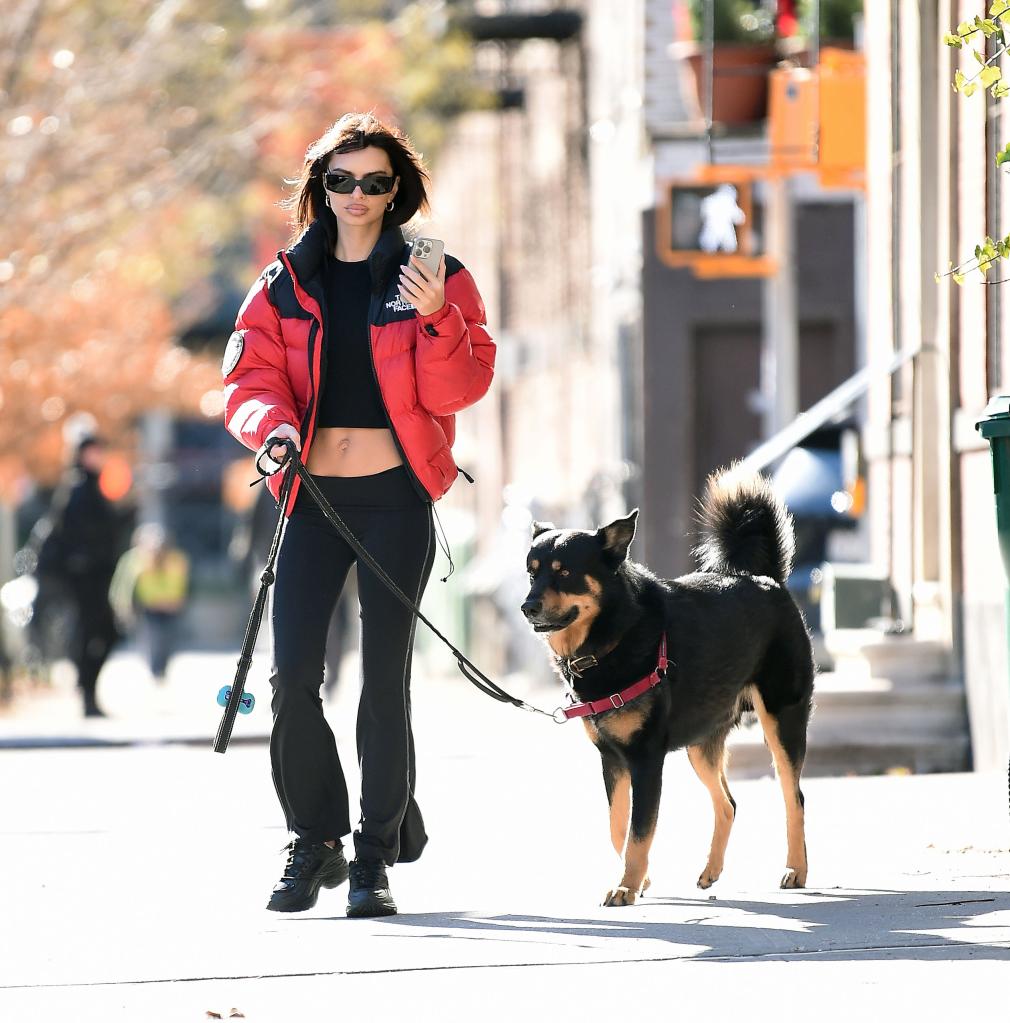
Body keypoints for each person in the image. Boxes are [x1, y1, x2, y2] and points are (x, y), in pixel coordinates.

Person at [222, 112, 495, 918]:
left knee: (384, 681)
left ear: (397, 190)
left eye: (376, 182)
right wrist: (269, 429)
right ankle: (315, 840)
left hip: (395, 501)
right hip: (309, 498)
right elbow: (249, 377)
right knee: (291, 678)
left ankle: (375, 857)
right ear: (320, 187)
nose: (358, 195)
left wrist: (441, 313)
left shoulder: (431, 274)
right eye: (342, 180)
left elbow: (458, 387)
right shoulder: (283, 283)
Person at [35, 434, 125, 717]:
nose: (97, 457)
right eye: (91, 452)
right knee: (96, 634)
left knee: (104, 633)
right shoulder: (78, 487)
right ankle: (87, 692)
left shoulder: (93, 486)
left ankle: (87, 690)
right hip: (85, 578)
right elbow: (77, 532)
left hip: (95, 576)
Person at [110, 523, 189, 683]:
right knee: (152, 637)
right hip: (145, 606)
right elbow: (123, 586)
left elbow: (181, 584)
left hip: (170, 606)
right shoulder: (133, 560)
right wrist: (122, 606)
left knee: (168, 638)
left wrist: (176, 601)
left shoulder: (176, 560)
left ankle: (162, 667)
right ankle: (155, 669)